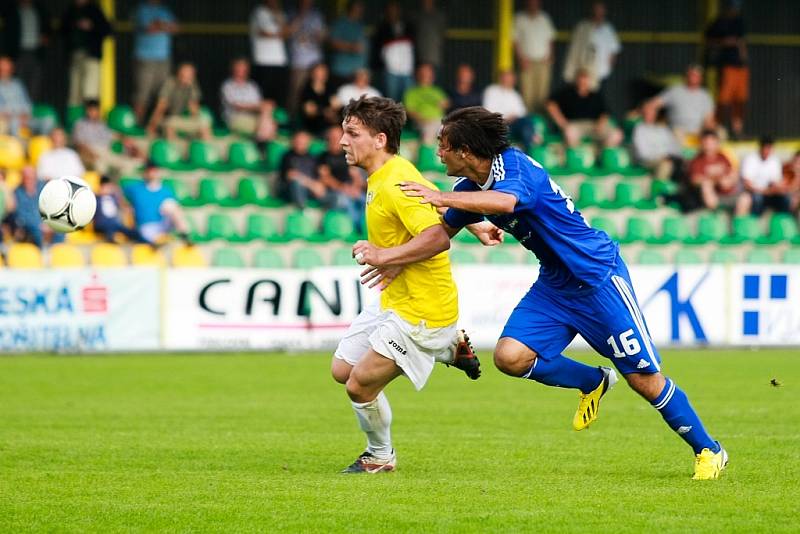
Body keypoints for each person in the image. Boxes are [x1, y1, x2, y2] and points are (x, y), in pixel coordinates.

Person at [399, 106, 728, 480]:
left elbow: (505, 203)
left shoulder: (514, 168)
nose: (437, 153)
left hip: (597, 278)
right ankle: (593, 381)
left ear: (465, 150)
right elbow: (440, 236)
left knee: (644, 380)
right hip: (555, 285)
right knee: (509, 357)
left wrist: (439, 196)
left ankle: (709, 450)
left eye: (442, 145)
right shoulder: (469, 189)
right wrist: (390, 257)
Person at [332, 95, 481, 474]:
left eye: (352, 133)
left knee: (359, 386)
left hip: (422, 310)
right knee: (341, 369)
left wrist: (383, 256)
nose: (342, 141)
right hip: (394, 298)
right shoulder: (395, 171)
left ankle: (379, 456)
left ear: (380, 139)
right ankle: (450, 346)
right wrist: (475, 221)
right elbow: (433, 200)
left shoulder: (394, 181)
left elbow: (436, 238)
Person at [546, 67, 623, 148]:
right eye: (581, 80)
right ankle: (579, 156)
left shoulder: (595, 95)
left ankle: (601, 154)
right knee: (570, 132)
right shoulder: (567, 94)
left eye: (585, 80)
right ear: (576, 80)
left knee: (617, 134)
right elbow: (550, 104)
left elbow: (605, 112)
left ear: (589, 81)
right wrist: (562, 123)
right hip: (575, 125)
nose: (583, 83)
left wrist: (601, 123)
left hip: (594, 125)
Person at [132, 0, 178, 125]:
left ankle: (157, 125)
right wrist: (164, 26)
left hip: (163, 57)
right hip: (145, 57)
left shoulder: (165, 10)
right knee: (143, 92)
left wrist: (159, 25)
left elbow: (176, 28)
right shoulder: (142, 9)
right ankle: (138, 124)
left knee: (163, 93)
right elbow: (149, 28)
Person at [706, 1, 748, 138]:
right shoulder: (719, 23)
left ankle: (737, 131)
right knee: (724, 100)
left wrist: (744, 58)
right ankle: (720, 128)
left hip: (740, 67)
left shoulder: (739, 22)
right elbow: (709, 40)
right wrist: (724, 42)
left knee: (740, 100)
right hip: (727, 66)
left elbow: (741, 42)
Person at [123, 160, 191, 245]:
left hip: (163, 224)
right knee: (152, 239)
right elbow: (118, 191)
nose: (152, 174)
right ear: (145, 172)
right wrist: (127, 207)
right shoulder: (135, 188)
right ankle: (158, 242)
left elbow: (174, 208)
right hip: (145, 226)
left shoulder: (166, 190)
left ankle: (184, 235)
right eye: (149, 171)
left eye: (154, 171)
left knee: (171, 205)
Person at [647, 64, 716, 145]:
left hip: (698, 132)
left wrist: (708, 131)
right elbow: (653, 104)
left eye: (697, 75)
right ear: (686, 76)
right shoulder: (675, 91)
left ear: (701, 78)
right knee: (678, 137)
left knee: (718, 134)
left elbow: (709, 119)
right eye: (692, 75)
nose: (694, 77)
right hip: (677, 130)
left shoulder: (705, 96)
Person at [60, 0, 111, 106]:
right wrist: (73, 25)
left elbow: (108, 30)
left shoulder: (95, 10)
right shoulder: (71, 10)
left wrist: (92, 26)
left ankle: (91, 121)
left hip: (91, 56)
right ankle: (74, 120)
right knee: (74, 92)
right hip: (75, 56)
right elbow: (62, 31)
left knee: (90, 92)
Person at [686, 129, 749, 214]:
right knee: (706, 186)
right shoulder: (697, 160)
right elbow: (695, 180)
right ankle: (715, 215)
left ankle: (739, 223)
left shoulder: (722, 157)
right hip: (711, 197)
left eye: (711, 142)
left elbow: (733, 173)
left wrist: (729, 180)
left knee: (745, 198)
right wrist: (717, 181)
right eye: (706, 143)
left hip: (728, 194)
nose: (709, 146)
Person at [316, 125, 366, 233]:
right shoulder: (323, 157)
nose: (335, 140)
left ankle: (366, 227)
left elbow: (356, 175)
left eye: (338, 137)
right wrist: (343, 188)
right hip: (334, 192)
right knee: (345, 201)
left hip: (349, 189)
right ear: (328, 139)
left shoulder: (348, 155)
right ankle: (357, 229)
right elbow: (326, 179)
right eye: (332, 137)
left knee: (366, 200)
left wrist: (355, 189)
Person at [0, 0, 52, 101]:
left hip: (35, 52)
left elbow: (47, 28)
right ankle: (15, 107)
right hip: (19, 52)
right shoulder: (12, 10)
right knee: (18, 82)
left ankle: (29, 110)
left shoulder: (39, 10)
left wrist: (46, 37)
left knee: (35, 83)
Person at [563, 1, 620, 91]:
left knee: (598, 98)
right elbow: (574, 50)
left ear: (604, 11)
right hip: (584, 73)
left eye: (601, 10)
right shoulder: (582, 27)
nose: (598, 13)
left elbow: (614, 50)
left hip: (602, 72)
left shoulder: (608, 29)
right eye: (596, 10)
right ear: (592, 11)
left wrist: (609, 66)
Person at [73, 99, 141, 174]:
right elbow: (79, 144)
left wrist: (127, 141)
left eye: (95, 110)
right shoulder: (80, 124)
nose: (93, 113)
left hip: (106, 151)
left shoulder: (103, 124)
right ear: (87, 111)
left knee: (131, 164)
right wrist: (91, 154)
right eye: (90, 110)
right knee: (101, 166)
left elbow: (115, 136)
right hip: (90, 151)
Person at [147, 62, 211, 141]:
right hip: (168, 119)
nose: (186, 77)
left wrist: (189, 90)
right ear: (178, 73)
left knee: (204, 124)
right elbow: (160, 107)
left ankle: (205, 150)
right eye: (184, 74)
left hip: (182, 119)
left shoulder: (192, 85)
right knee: (170, 124)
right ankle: (172, 151)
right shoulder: (169, 84)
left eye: (189, 75)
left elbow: (194, 110)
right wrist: (152, 126)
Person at [219, 58, 276, 143]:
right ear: (233, 69)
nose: (241, 71)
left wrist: (266, 105)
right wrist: (259, 107)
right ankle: (261, 143)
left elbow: (258, 103)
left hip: (254, 116)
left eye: (243, 69)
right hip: (235, 118)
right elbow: (237, 106)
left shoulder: (252, 86)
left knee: (268, 115)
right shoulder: (227, 86)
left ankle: (261, 139)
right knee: (268, 126)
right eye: (238, 68)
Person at [482, 70, 540, 152]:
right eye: (506, 78)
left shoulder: (515, 94)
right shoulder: (491, 91)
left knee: (527, 122)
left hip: (515, 124)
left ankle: (528, 151)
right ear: (501, 78)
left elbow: (523, 113)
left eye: (510, 79)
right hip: (499, 124)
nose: (508, 81)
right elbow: (488, 111)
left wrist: (514, 118)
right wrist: (506, 118)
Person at [514, 0, 556, 112]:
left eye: (535, 2)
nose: (533, 4)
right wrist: (520, 59)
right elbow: (515, 41)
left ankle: (541, 122)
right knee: (526, 93)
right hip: (527, 61)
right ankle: (528, 120)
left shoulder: (544, 18)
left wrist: (551, 55)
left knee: (542, 93)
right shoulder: (519, 18)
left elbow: (550, 39)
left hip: (543, 61)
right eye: (531, 2)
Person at [285, 0, 326, 115]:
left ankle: (312, 119)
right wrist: (300, 17)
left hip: (315, 59)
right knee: (296, 91)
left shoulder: (316, 15)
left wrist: (315, 35)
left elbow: (322, 36)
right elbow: (286, 32)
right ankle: (293, 118)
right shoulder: (291, 14)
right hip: (298, 61)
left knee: (316, 90)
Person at [371, 2, 415, 102]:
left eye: (395, 10)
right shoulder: (382, 28)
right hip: (390, 71)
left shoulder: (408, 26)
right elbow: (377, 50)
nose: (393, 12)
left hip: (407, 70)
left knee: (408, 100)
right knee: (392, 100)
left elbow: (413, 48)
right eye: (390, 10)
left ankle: (406, 118)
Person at [249, 0, 289, 109]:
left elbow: (286, 33)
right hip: (263, 61)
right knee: (263, 95)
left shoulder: (280, 13)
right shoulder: (259, 12)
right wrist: (282, 32)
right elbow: (266, 32)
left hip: (279, 61)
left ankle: (276, 120)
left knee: (278, 94)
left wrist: (278, 16)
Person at [12, 165, 63, 247]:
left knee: (60, 228)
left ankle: (56, 253)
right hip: (30, 226)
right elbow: (21, 215)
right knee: (36, 230)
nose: (29, 180)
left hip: (46, 222)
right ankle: (42, 253)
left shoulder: (43, 189)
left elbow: (52, 207)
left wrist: (50, 223)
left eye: (31, 177)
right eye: (26, 177)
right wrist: (39, 224)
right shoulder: (18, 193)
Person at [276, 130, 329, 209]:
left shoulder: (313, 158)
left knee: (335, 195)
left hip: (309, 190)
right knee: (296, 184)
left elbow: (320, 175)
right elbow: (291, 175)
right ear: (293, 141)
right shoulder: (287, 156)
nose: (300, 143)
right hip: (291, 191)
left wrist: (319, 185)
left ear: (308, 142)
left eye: (303, 141)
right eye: (298, 141)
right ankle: (302, 210)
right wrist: (312, 185)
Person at [631, 103, 683, 181]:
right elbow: (642, 153)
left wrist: (676, 156)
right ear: (643, 113)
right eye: (647, 112)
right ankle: (659, 188)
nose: (650, 114)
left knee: (682, 163)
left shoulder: (662, 129)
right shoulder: (639, 130)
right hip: (648, 161)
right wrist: (661, 156)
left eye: (652, 111)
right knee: (666, 165)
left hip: (668, 158)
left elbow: (673, 146)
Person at [741, 136, 790, 216]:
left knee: (785, 199)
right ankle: (755, 221)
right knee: (757, 199)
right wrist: (764, 191)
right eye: (766, 148)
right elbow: (747, 184)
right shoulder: (750, 159)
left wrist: (778, 188)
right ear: (761, 147)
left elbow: (775, 182)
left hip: (769, 193)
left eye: (770, 148)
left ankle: (782, 221)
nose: (767, 151)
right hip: (754, 193)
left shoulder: (774, 160)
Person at [403, 63, 449, 144]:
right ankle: (427, 156)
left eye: (428, 72)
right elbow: (409, 110)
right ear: (418, 74)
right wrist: (422, 120)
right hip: (422, 122)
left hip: (439, 121)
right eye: (424, 72)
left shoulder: (437, 91)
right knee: (430, 132)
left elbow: (446, 104)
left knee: (450, 133)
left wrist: (444, 104)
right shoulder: (412, 92)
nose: (426, 74)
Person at [328, 0, 367, 89]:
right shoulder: (340, 23)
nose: (360, 11)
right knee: (342, 100)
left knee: (356, 100)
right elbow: (333, 43)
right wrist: (351, 46)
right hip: (342, 71)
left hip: (358, 72)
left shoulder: (360, 25)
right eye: (358, 8)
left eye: (361, 8)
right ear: (351, 8)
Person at [93, 175, 144, 243]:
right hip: (102, 225)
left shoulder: (114, 198)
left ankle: (147, 242)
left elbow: (123, 204)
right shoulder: (95, 199)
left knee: (132, 231)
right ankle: (112, 240)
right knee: (109, 229)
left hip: (114, 224)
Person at [298, 63, 338, 136]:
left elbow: (336, 105)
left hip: (328, 125)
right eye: (318, 73)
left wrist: (330, 112)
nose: (321, 76)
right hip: (311, 126)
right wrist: (324, 112)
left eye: (323, 73)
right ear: (312, 74)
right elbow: (309, 111)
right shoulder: (307, 89)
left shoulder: (330, 88)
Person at [411, 0, 446, 78]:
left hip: (435, 58)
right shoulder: (417, 16)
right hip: (420, 59)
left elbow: (442, 34)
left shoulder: (439, 16)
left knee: (435, 87)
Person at [0, 55, 33, 137]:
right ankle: (20, 149)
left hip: (25, 118)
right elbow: (2, 111)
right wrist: (17, 116)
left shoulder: (18, 84)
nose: (5, 71)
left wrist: (25, 115)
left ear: (11, 69)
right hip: (9, 120)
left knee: (47, 122)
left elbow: (28, 104)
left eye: (7, 69)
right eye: (2, 69)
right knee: (15, 123)